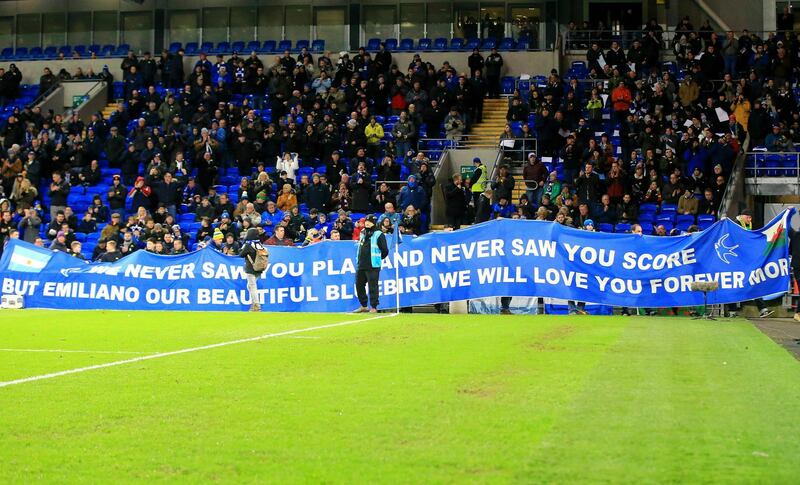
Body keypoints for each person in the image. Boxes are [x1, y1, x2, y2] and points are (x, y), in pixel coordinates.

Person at [727, 209, 774, 318]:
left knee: (753, 280)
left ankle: (762, 309)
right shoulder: (734, 224)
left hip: (746, 260)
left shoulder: (750, 225)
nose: (750, 219)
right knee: (734, 283)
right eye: (748, 217)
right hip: (735, 260)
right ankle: (732, 311)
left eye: (750, 218)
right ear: (742, 216)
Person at [354, 214, 389, 313]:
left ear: (374, 222)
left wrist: (378, 258)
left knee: (373, 286)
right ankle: (364, 306)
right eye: (366, 221)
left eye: (369, 221)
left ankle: (373, 307)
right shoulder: (362, 232)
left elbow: (385, 250)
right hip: (361, 264)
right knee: (359, 285)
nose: (367, 223)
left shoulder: (379, 234)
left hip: (373, 264)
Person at [239, 227, 269, 312]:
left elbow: (241, 254)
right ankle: (254, 304)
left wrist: (241, 247)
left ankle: (256, 305)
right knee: (250, 285)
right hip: (259, 268)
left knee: (252, 286)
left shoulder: (248, 245)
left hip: (250, 268)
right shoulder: (259, 244)